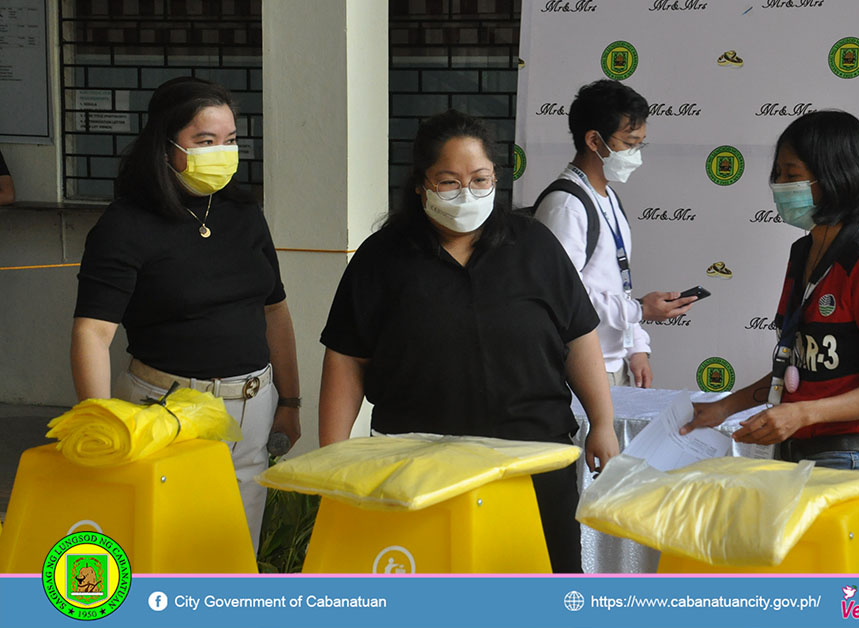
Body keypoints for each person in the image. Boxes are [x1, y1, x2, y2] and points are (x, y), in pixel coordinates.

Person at [319, 109, 619, 573]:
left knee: (539, 592)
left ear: (495, 179)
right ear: (420, 185)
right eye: (448, 181)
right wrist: (334, 459)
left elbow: (579, 336)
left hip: (532, 460)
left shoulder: (535, 245)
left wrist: (602, 420)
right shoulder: (382, 257)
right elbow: (346, 357)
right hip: (417, 466)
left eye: (479, 179)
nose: (467, 192)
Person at [70, 77, 301, 551]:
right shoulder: (126, 224)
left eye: (231, 140)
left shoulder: (243, 211)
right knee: (164, 542)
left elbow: (275, 310)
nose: (222, 152)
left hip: (252, 403)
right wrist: (102, 423)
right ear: (166, 144)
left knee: (236, 544)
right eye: (205, 141)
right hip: (165, 407)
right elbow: (93, 333)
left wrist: (290, 401)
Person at [681, 110, 859, 473]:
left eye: (792, 175)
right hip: (791, 454)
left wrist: (802, 413)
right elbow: (793, 368)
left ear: (835, 177)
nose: (780, 186)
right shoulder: (802, 252)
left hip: (842, 460)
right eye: (778, 175)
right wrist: (724, 408)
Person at [534, 80, 695, 388]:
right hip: (575, 369)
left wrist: (636, 349)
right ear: (594, 140)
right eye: (629, 143)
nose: (636, 155)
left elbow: (617, 284)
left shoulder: (606, 197)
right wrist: (639, 310)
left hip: (610, 362)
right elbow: (565, 297)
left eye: (640, 144)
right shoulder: (566, 206)